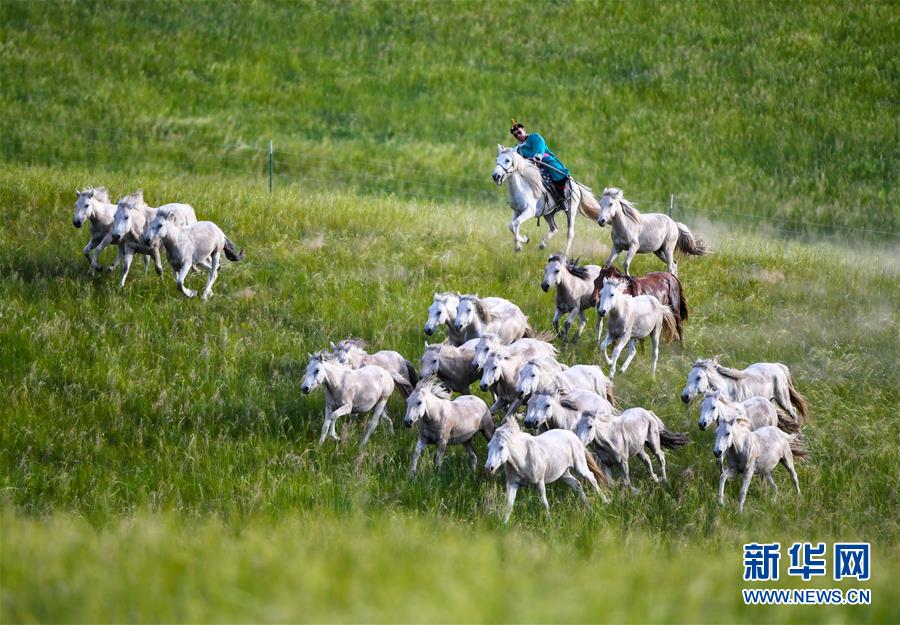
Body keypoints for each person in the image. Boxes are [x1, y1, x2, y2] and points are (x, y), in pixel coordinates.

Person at [510, 120, 571, 204]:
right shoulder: (517, 148)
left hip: (543, 160)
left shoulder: (534, 137)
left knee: (553, 167)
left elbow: (539, 147)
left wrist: (537, 157)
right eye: (516, 135)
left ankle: (561, 192)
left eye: (519, 132)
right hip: (529, 166)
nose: (518, 136)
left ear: (524, 130)